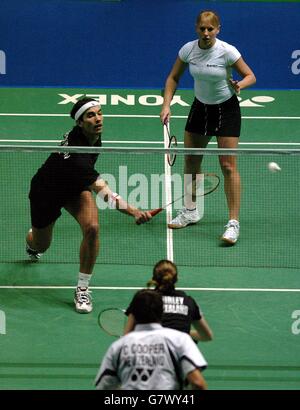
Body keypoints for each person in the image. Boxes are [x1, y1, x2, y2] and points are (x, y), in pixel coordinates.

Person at [26, 98, 152, 314]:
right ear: (80, 122)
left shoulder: (92, 134)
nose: (98, 119)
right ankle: (32, 242)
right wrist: (134, 211)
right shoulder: (77, 155)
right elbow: (105, 194)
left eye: (99, 113)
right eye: (91, 115)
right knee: (40, 245)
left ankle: (82, 288)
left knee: (92, 228)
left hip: (75, 187)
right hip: (46, 193)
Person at [160, 10, 256, 244]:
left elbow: (250, 75)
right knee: (192, 159)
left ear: (218, 29)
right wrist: (166, 104)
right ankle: (191, 211)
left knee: (228, 165)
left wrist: (239, 84)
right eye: (202, 28)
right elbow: (173, 77)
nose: (206, 33)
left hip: (226, 110)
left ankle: (233, 223)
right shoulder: (188, 50)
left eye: (210, 29)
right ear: (196, 28)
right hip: (200, 109)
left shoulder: (227, 51)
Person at [95, 289, 208, 390]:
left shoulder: (119, 347)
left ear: (135, 315)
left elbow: (104, 385)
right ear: (161, 313)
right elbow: (198, 383)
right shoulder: (179, 340)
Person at [124, 260, 213, 342]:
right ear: (176, 279)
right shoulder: (189, 302)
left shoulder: (143, 298)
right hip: (179, 353)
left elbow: (127, 337)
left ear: (154, 278)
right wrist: (181, 333)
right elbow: (207, 336)